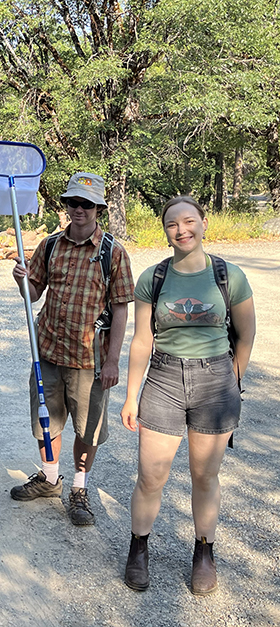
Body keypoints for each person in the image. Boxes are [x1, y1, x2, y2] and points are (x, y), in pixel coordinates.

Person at [121, 196, 255, 594]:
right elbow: (142, 339)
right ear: (165, 231)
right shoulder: (153, 278)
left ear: (204, 223)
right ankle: (138, 548)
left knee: (204, 475)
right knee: (151, 475)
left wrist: (232, 379)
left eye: (189, 221)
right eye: (172, 224)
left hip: (216, 380)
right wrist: (131, 396)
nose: (182, 230)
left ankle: (204, 552)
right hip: (163, 380)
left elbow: (246, 335)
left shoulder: (230, 276)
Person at [8, 172, 134, 526]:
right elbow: (33, 294)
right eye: (73, 202)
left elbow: (122, 308)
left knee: (87, 428)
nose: (79, 209)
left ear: (98, 208)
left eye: (87, 204)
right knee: (47, 424)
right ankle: (50, 479)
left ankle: (79, 488)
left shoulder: (113, 253)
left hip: (88, 360)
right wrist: (22, 281)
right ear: (65, 206)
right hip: (47, 351)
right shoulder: (49, 245)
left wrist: (112, 361)